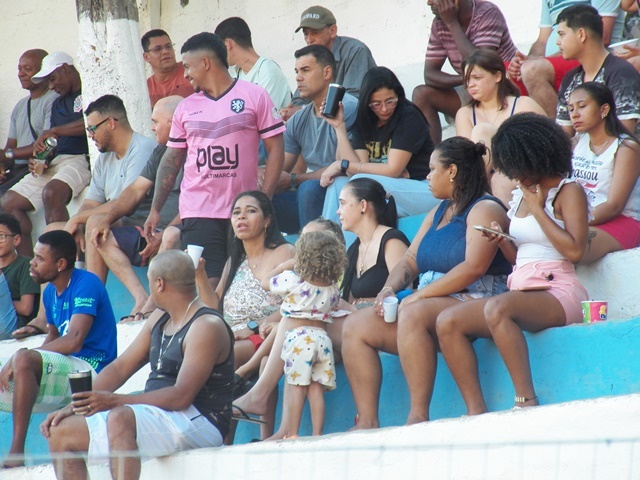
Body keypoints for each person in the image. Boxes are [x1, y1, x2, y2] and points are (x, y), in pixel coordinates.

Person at [342, 137, 512, 429]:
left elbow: (473, 268)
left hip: (478, 297)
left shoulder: (485, 208)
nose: (428, 177)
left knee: (413, 311)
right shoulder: (438, 211)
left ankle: (417, 416)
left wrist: (420, 296)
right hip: (434, 302)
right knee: (356, 325)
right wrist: (388, 289)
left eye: (433, 170)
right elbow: (410, 260)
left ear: (452, 171)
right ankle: (367, 421)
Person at [436, 113, 589, 415]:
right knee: (448, 321)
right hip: (523, 287)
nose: (515, 175)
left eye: (518, 166)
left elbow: (575, 251)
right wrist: (502, 241)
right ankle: (475, 411)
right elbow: (519, 257)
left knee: (497, 308)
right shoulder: (521, 195)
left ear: (535, 157)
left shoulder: (568, 191)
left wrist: (538, 209)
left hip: (559, 290)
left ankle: (525, 400)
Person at [233, 179, 411, 438]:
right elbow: (342, 300)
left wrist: (358, 306)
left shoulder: (391, 240)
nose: (338, 211)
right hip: (347, 330)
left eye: (342, 203)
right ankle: (283, 429)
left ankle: (257, 390)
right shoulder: (355, 249)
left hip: (379, 326)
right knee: (295, 330)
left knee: (295, 323)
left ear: (363, 206)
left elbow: (400, 295)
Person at [42, 250, 234, 480]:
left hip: (201, 420)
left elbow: (181, 396)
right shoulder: (160, 317)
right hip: (158, 413)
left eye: (150, 282)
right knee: (60, 431)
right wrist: (76, 405)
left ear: (159, 284)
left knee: (120, 416)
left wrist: (115, 400)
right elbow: (120, 367)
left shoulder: (206, 325)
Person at [144, 32, 285, 292]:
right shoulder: (186, 107)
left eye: (188, 67)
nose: (186, 75)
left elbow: (276, 149)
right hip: (198, 209)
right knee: (207, 283)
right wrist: (155, 209)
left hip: (242, 209)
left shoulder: (255, 95)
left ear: (206, 63)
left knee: (238, 284)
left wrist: (264, 198)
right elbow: (171, 159)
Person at [0, 230, 117, 468]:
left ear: (61, 264)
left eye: (40, 258)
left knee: (23, 358)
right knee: (23, 360)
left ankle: (16, 453)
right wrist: (26, 361)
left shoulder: (87, 283)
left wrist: (22, 358)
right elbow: (53, 335)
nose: (32, 262)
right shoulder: (51, 291)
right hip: (67, 369)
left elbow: (74, 340)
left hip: (94, 370)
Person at [85, 96, 183, 319]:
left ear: (174, 121)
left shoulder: (196, 149)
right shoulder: (160, 151)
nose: (152, 128)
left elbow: (194, 204)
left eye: (155, 122)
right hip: (152, 231)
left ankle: (152, 305)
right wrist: (106, 219)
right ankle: (139, 297)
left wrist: (162, 233)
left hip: (183, 228)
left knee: (169, 235)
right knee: (99, 231)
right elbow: (135, 190)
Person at [1, 52, 91, 257]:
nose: (51, 86)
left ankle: (63, 259)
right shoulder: (58, 102)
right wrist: (41, 159)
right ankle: (28, 266)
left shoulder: (89, 91)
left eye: (52, 79)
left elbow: (90, 123)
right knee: (9, 202)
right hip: (56, 161)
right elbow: (53, 141)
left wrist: (56, 131)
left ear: (65, 68)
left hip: (79, 159)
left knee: (51, 193)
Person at [320, 66, 439, 222]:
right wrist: (339, 127)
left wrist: (342, 165)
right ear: (367, 102)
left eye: (390, 101)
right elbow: (354, 170)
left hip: (424, 189)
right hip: (391, 189)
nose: (384, 109)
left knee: (359, 183)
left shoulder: (408, 116)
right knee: (339, 183)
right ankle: (327, 235)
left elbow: (393, 170)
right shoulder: (364, 119)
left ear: (398, 96)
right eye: (376, 104)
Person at [45, 95, 157, 256]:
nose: (90, 135)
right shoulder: (105, 158)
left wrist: (78, 219)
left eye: (92, 129)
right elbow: (92, 202)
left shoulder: (142, 149)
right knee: (52, 232)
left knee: (94, 222)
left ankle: (91, 273)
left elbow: (126, 202)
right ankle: (74, 272)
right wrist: (78, 223)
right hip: (113, 222)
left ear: (111, 123)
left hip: (140, 227)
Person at [195, 191, 295, 371]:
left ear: (267, 221)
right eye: (236, 212)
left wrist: (252, 328)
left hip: (266, 335)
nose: (241, 216)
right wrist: (200, 274)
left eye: (251, 211)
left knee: (218, 355)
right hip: (230, 337)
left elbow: (298, 303)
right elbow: (214, 307)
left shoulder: (284, 252)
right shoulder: (234, 261)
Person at [262, 230, 346, 438]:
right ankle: (317, 434)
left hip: (299, 339)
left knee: (297, 386)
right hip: (323, 340)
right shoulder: (333, 289)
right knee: (316, 388)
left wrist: (283, 266)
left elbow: (265, 282)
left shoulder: (293, 281)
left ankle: (292, 433)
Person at [271, 45, 358, 234]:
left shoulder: (348, 107)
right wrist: (259, 178)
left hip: (345, 193)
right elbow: (280, 168)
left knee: (308, 189)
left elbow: (344, 168)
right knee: (256, 198)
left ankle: (313, 249)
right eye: (296, 71)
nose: (298, 77)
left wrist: (295, 179)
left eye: (305, 70)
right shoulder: (298, 119)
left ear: (327, 72)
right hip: (311, 197)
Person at [412, 0, 519, 144]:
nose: (429, 2)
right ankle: (433, 156)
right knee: (422, 94)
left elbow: (480, 65)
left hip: (503, 87)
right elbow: (430, 75)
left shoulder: (487, 13)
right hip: (474, 89)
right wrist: (469, 79)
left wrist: (452, 23)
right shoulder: (439, 24)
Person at [455, 49, 546, 203]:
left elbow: (547, 147)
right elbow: (466, 160)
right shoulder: (465, 113)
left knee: (483, 133)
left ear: (497, 76)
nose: (470, 85)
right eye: (467, 79)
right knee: (481, 133)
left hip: (526, 176)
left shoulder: (523, 104)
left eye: (477, 77)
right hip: (484, 183)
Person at [509, 1, 625, 118]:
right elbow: (542, 40)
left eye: (561, 35)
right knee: (508, 73)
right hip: (553, 61)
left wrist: (537, 62)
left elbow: (602, 36)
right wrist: (527, 60)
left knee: (531, 70)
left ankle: (554, 128)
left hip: (585, 57)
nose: (557, 41)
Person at [568, 82, 640, 262]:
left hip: (621, 220)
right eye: (571, 109)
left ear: (604, 109)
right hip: (580, 219)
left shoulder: (626, 147)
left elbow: (614, 206)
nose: (574, 114)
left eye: (582, 106)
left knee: (569, 246)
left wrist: (571, 223)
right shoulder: (576, 143)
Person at [556, 4, 640, 137]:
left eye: (562, 35)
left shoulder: (622, 74)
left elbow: (623, 138)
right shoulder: (570, 79)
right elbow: (563, 137)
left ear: (581, 34)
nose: (558, 42)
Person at [281, 5, 376, 121]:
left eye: (314, 32)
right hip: (326, 123)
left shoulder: (355, 51)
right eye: (306, 34)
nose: (309, 40)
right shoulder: (311, 58)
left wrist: (303, 109)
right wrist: (291, 112)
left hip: (359, 123)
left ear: (332, 31)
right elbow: (299, 99)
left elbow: (352, 101)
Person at [0, 49, 58, 196]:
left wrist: (8, 154)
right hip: (16, 169)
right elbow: (10, 148)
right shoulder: (20, 106)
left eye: (28, 69)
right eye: (19, 69)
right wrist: (2, 165)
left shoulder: (53, 100)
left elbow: (44, 145)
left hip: (35, 167)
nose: (21, 74)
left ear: (43, 72)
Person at [214, 17, 292, 110]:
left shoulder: (268, 71)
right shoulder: (233, 73)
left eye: (218, 48)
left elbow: (263, 114)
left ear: (228, 43)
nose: (218, 55)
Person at [0, 213, 40, 330]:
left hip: (16, 324)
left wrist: (4, 302)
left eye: (1, 236)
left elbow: (26, 308)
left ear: (16, 240)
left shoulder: (26, 265)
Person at [142, 29, 195, 108]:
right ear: (146, 57)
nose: (165, 52)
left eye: (168, 47)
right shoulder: (146, 90)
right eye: (157, 49)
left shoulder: (191, 71)